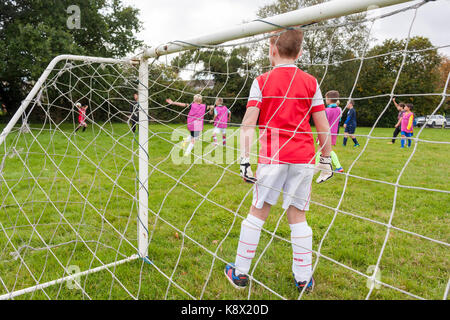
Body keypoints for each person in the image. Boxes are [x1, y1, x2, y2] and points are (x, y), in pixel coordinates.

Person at [225, 28, 333, 293]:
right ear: (300, 52)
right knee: (298, 214)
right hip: (304, 157)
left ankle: (239, 273)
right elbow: (323, 125)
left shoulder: (261, 81)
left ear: (272, 48)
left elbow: (248, 124)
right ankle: (303, 278)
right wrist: (327, 158)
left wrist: (244, 160)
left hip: (272, 156)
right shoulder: (311, 81)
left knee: (258, 211)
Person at [320, 91, 344, 173]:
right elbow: (339, 120)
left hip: (325, 132)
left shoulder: (326, 110)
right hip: (333, 133)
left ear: (329, 99)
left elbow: (323, 122)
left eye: (326, 98)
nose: (325, 100)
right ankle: (323, 166)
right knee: (326, 150)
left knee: (322, 149)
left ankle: (338, 166)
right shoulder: (339, 110)